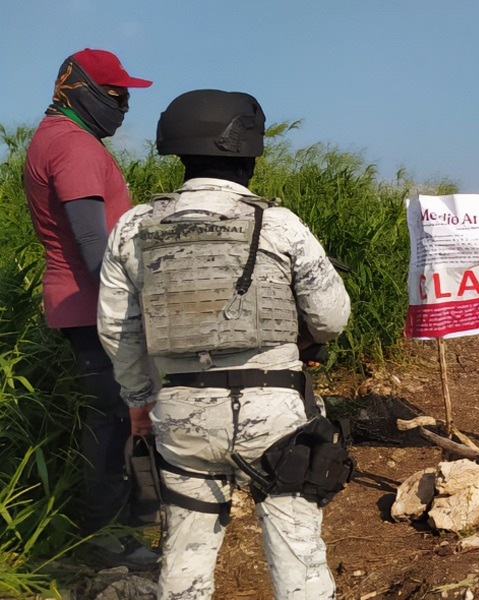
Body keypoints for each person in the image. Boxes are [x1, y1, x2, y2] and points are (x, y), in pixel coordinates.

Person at [97, 89, 351, 599]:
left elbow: (117, 330)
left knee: (185, 557)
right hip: (276, 417)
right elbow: (331, 318)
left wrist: (139, 401)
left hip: (182, 411)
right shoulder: (280, 225)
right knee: (297, 557)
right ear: (251, 152)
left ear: (178, 151)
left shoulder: (133, 228)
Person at [23, 48, 156, 563]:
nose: (123, 105)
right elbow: (92, 243)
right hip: (94, 304)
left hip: (86, 303)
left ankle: (121, 526)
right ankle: (103, 538)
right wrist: (136, 303)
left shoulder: (59, 137)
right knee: (111, 420)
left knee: (119, 416)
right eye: (116, 94)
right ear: (81, 89)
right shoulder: (72, 146)